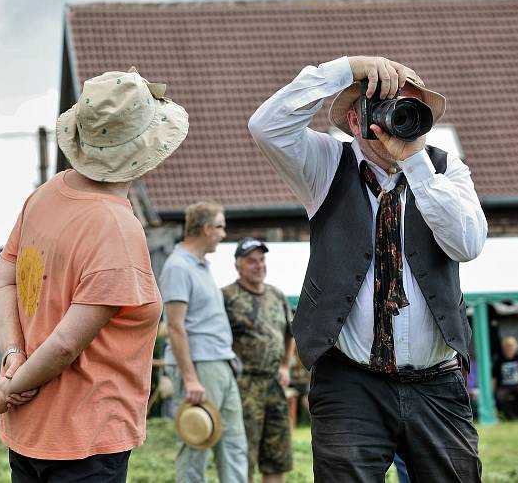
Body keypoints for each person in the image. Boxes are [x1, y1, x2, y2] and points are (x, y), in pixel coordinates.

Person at [249, 56, 487, 482]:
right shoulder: (326, 164)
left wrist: (415, 165)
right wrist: (348, 68)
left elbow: (467, 244)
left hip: (437, 382)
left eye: (412, 108)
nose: (402, 117)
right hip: (351, 380)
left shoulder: (444, 169)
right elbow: (266, 126)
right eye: (388, 106)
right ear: (357, 120)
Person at [0, 67, 187, 481]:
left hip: (30, 428)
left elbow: (3, 279)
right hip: (85, 435)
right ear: (145, 151)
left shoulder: (46, 195)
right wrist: (13, 387)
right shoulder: (118, 230)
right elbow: (67, 344)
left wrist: (12, 362)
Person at [160, 202, 247, 483]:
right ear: (206, 228)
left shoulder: (201, 266)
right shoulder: (177, 266)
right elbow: (174, 326)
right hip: (199, 367)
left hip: (221, 363)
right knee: (195, 444)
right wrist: (190, 379)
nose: (224, 233)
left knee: (234, 444)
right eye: (220, 227)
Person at [222, 237, 294, 483]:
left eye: (261, 260)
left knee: (277, 455)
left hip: (274, 385)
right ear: (238, 265)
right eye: (251, 261)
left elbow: (289, 333)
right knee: (244, 456)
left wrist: (285, 365)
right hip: (243, 386)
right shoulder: (227, 297)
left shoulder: (276, 295)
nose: (259, 265)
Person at [492, 336, 518, 420]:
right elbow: (494, 378)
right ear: (503, 348)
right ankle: (510, 416)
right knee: (500, 397)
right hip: (503, 386)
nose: (509, 348)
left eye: (511, 346)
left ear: (515, 347)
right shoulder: (499, 360)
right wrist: (492, 392)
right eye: (507, 346)